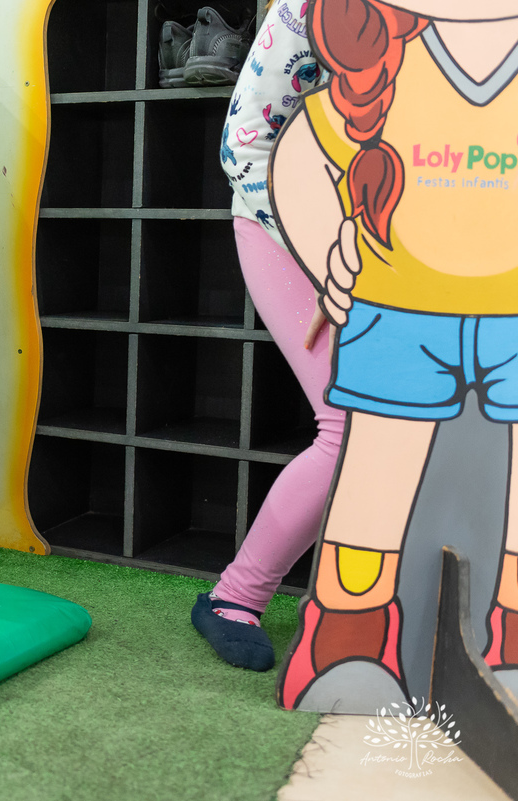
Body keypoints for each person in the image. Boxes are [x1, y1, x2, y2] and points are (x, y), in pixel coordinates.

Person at [271, 0, 518, 709]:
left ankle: (511, 638)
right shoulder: (386, 63)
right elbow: (304, 152)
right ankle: (347, 635)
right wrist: (328, 255)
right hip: (396, 306)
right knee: (378, 468)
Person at [190, 0, 344, 671]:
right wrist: (328, 261)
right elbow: (244, 148)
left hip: (409, 252)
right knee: (351, 422)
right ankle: (234, 597)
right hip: (290, 232)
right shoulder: (310, 10)